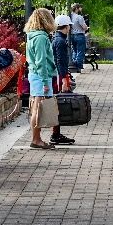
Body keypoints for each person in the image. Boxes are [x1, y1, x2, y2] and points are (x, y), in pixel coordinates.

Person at [25, 8, 59, 150]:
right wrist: (46, 82)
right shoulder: (41, 38)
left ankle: (37, 138)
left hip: (35, 75)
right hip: (40, 76)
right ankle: (36, 139)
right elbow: (41, 61)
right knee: (38, 108)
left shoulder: (32, 35)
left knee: (36, 108)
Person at [50, 15, 76, 146]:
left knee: (58, 103)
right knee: (59, 103)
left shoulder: (57, 39)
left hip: (59, 74)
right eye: (69, 26)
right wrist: (64, 78)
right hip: (59, 76)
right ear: (66, 27)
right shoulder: (60, 41)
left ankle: (56, 133)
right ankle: (55, 134)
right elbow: (60, 61)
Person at [69, 3, 89, 72]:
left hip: (72, 35)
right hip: (80, 35)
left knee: (74, 50)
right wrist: (87, 27)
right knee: (80, 51)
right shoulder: (79, 17)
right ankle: (78, 66)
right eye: (80, 8)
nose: (81, 9)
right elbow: (84, 27)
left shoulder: (70, 16)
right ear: (77, 8)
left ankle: (74, 64)